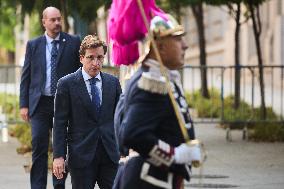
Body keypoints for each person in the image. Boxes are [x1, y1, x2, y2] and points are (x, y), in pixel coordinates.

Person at [113, 15, 201, 189]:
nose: (185, 45)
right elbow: (132, 134)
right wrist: (174, 155)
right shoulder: (151, 82)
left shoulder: (158, 77)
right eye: (177, 39)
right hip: (148, 181)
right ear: (160, 46)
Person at [19, 6, 81, 189]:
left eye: (59, 19)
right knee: (38, 147)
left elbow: (79, 73)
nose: (57, 23)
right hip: (40, 104)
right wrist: (24, 104)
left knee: (60, 148)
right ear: (43, 22)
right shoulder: (33, 45)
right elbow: (26, 76)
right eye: (52, 20)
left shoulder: (73, 42)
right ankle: (37, 186)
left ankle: (59, 185)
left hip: (63, 104)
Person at [52, 35, 122, 189]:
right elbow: (60, 123)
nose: (96, 63)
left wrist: (125, 149)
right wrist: (58, 156)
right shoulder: (66, 84)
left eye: (100, 57)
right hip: (81, 156)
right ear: (82, 58)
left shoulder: (113, 83)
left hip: (110, 155)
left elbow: (120, 118)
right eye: (91, 57)